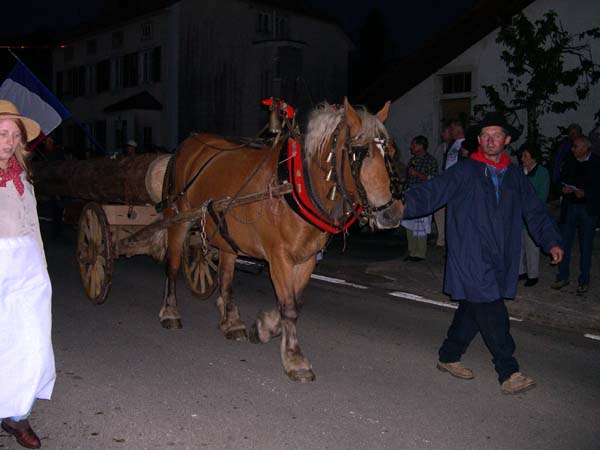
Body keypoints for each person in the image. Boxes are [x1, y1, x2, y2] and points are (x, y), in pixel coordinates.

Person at [402, 111, 563, 394]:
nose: (490, 140)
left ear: (507, 140)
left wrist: (551, 241)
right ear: (479, 140)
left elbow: (535, 212)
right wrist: (400, 205)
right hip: (470, 254)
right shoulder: (465, 171)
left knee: (473, 308)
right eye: (485, 135)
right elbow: (433, 191)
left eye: (496, 135)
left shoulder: (514, 176)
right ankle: (508, 371)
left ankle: (448, 356)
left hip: (501, 256)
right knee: (491, 308)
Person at [0, 100, 56, 449]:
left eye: (14, 134)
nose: (8, 140)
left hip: (27, 265)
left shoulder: (21, 176)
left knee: (29, 339)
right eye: (2, 133)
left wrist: (42, 268)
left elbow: (33, 225)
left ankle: (16, 413)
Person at [552, 136, 600, 294]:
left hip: (587, 209)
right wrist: (563, 189)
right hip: (570, 206)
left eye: (576, 147)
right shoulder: (570, 160)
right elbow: (560, 180)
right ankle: (563, 276)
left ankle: (584, 280)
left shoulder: (596, 162)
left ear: (585, 148)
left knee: (586, 246)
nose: (572, 149)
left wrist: (586, 193)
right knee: (564, 242)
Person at [401, 135, 438, 261]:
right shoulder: (413, 160)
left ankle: (420, 253)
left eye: (414, 144)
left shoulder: (430, 160)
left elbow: (434, 179)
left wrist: (417, 174)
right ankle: (411, 251)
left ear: (421, 146)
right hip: (410, 194)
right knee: (409, 223)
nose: (411, 147)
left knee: (420, 224)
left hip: (422, 195)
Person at [518, 143, 550, 287]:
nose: (522, 158)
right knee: (519, 245)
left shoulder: (542, 173)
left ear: (533, 158)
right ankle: (520, 271)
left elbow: (541, 195)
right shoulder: (521, 172)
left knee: (532, 246)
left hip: (533, 215)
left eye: (525, 156)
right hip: (519, 215)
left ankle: (533, 274)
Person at [432, 123, 452, 247]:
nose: (442, 134)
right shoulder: (440, 148)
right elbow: (436, 165)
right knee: (439, 211)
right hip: (441, 183)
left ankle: (449, 239)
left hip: (451, 184)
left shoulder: (458, 147)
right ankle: (441, 238)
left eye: (444, 132)